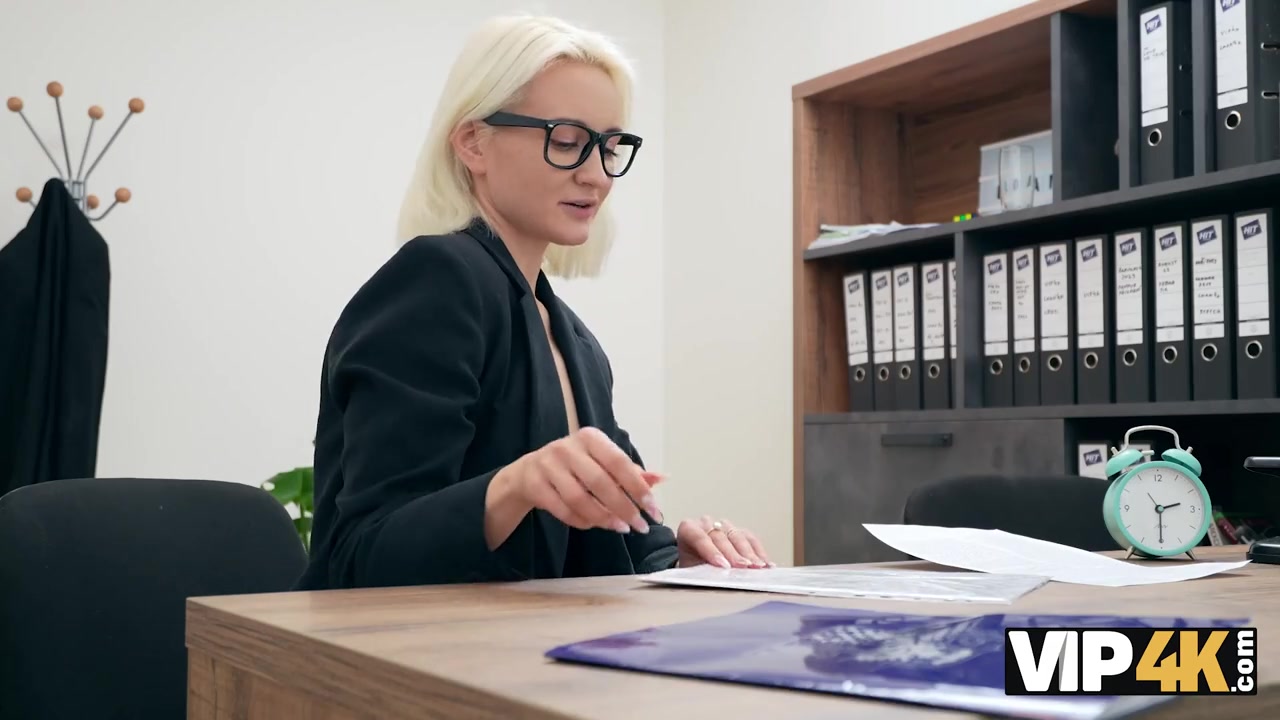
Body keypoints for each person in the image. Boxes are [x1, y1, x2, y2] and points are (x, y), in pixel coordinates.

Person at [293, 15, 772, 591]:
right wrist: (513, 487)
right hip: (396, 644)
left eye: (609, 148)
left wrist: (682, 563)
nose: (597, 176)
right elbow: (364, 556)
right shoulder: (438, 278)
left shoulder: (576, 341)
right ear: (474, 142)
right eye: (566, 142)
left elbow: (622, 544)